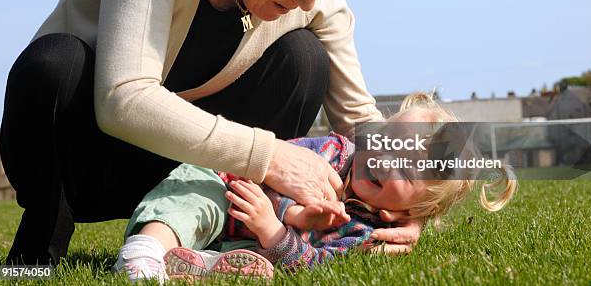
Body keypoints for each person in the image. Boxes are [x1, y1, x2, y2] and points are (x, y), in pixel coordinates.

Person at [0, 0, 422, 265]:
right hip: (87, 159)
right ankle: (37, 250)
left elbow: (361, 121)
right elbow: (121, 100)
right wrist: (270, 155)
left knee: (304, 59)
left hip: (199, 169)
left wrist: (418, 207)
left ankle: (223, 243)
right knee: (54, 63)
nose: (311, 2)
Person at [113, 92, 517, 282]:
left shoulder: (366, 235)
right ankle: (146, 251)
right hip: (228, 192)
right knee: (194, 195)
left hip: (243, 240)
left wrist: (274, 234)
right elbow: (273, 167)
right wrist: (288, 212)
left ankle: (197, 265)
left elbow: (316, 263)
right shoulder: (334, 151)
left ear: (408, 213)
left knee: (260, 264)